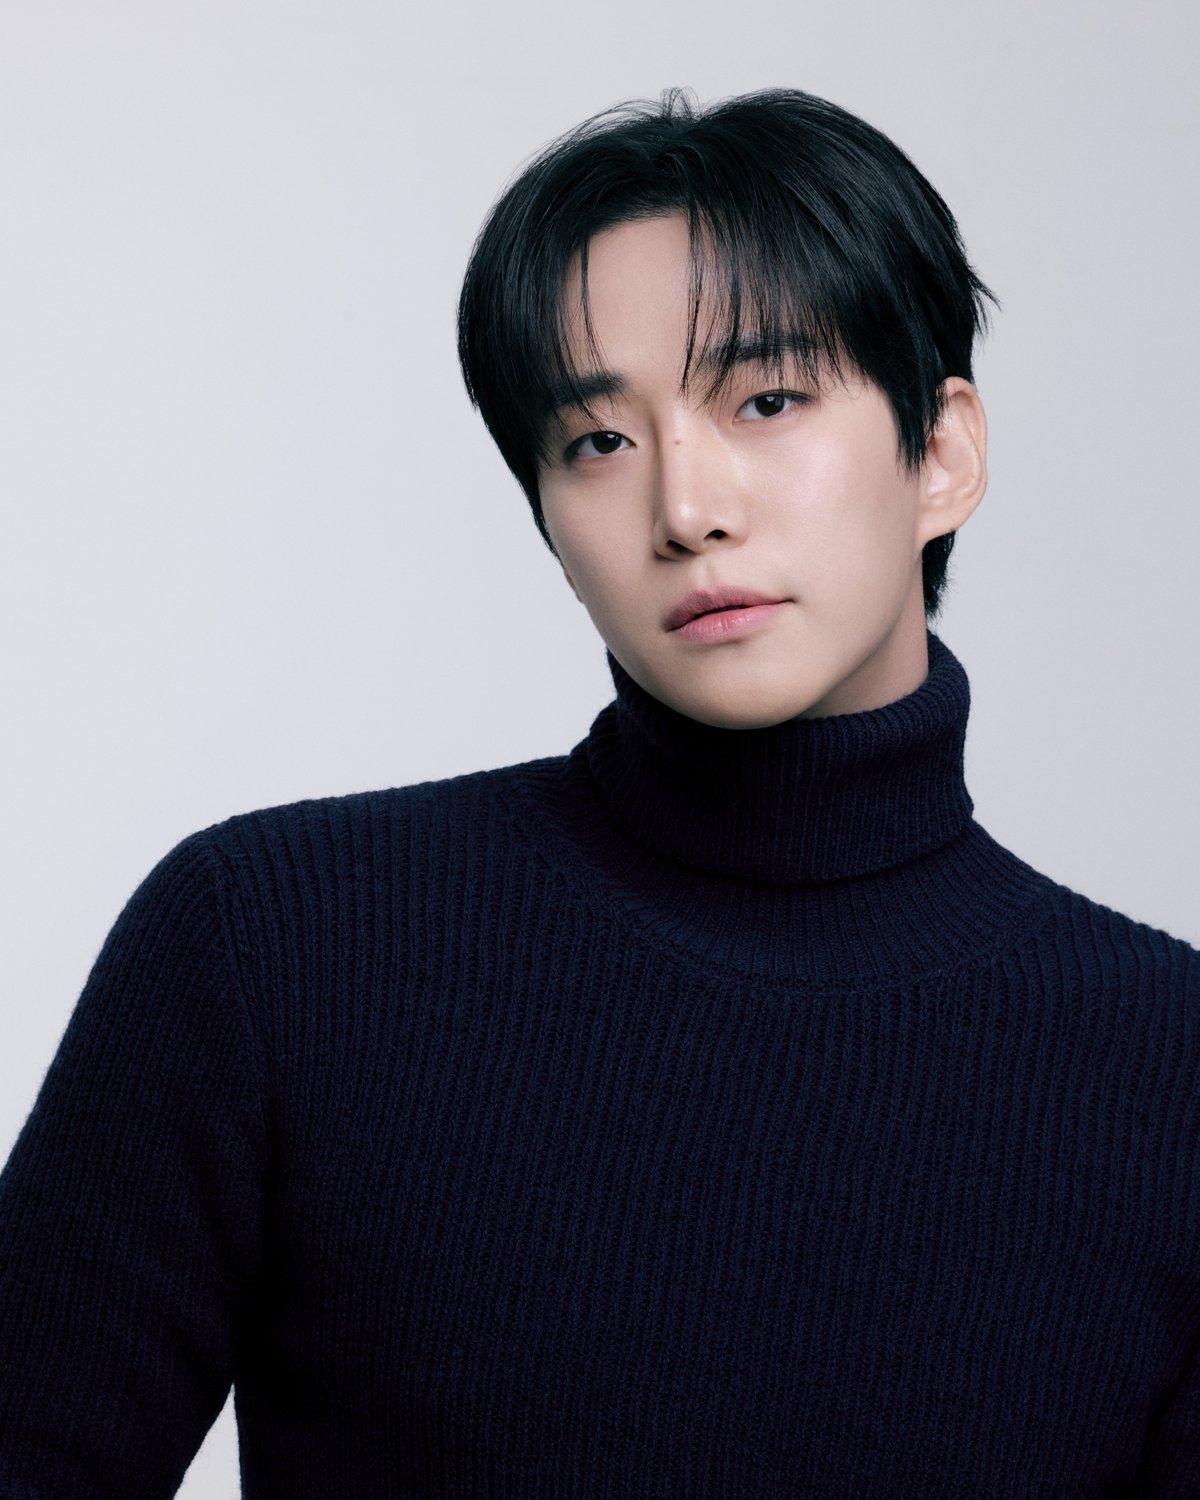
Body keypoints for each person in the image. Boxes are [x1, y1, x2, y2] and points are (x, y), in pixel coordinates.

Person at [1, 85, 1197, 1498]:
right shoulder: (276, 945)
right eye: (599, 443)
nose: (685, 510)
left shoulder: (1166, 1065)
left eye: (766, 400)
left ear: (942, 454)